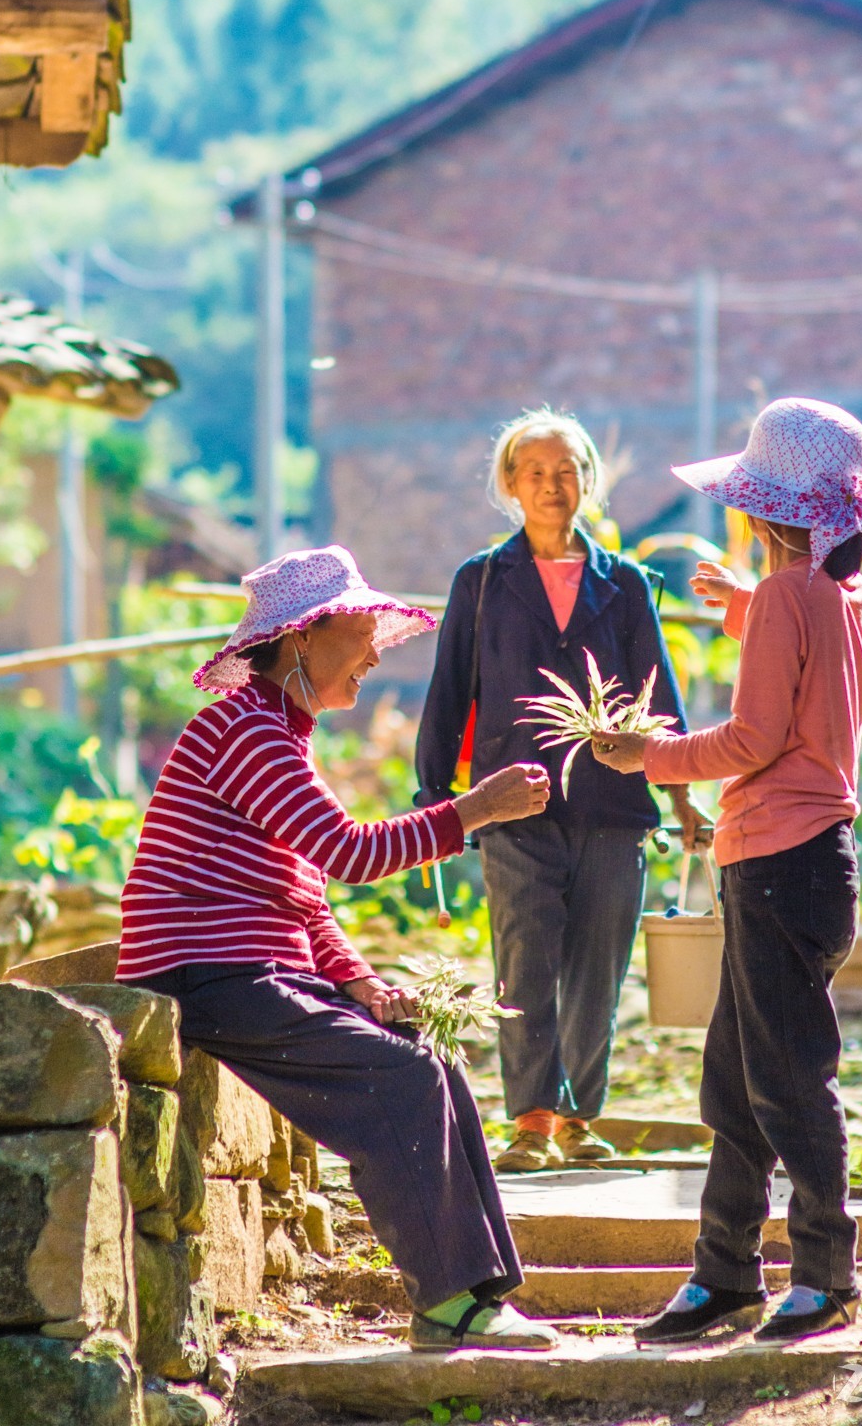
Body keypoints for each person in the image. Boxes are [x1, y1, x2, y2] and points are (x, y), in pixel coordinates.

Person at [115, 544, 559, 1352]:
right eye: (358, 633)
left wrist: (355, 978)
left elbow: (304, 892)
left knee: (429, 1052)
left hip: (255, 968)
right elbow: (348, 854)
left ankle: (480, 1290)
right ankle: (445, 1303)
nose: (370, 655)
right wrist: (475, 810)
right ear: (300, 641)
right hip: (205, 971)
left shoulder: (278, 730)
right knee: (397, 1079)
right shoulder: (244, 729)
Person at [592, 397, 862, 1345]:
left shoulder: (788, 597)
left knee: (784, 1085)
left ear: (762, 512)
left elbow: (753, 736)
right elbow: (812, 677)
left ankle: (824, 1272)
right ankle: (722, 1274)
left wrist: (640, 755)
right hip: (814, 869)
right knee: (734, 1087)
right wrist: (745, 606)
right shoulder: (840, 596)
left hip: (777, 862)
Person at [415, 407, 708, 1174]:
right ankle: (530, 1120)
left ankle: (579, 1117)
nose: (552, 485)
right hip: (512, 800)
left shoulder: (627, 585)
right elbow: (448, 694)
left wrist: (680, 792)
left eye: (566, 470)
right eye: (535, 472)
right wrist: (432, 798)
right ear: (509, 484)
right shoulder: (480, 582)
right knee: (524, 956)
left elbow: (658, 694)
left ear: (588, 480)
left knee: (598, 961)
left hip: (613, 804)